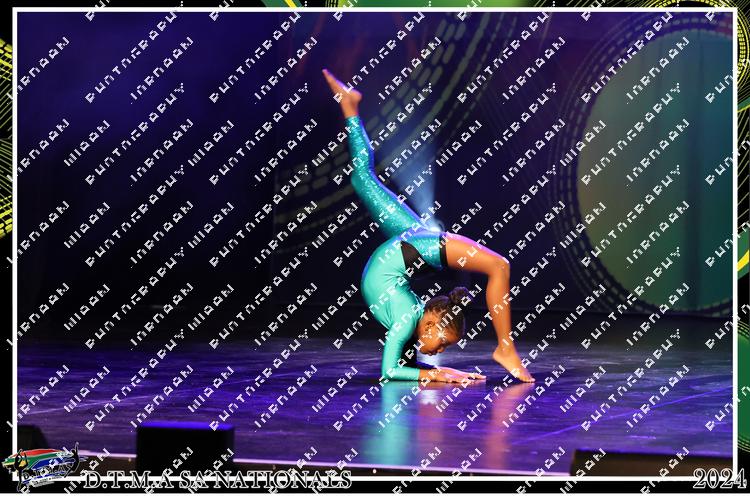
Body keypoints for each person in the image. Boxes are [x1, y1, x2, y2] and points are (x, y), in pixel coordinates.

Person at [322, 68, 535, 384]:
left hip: (407, 246)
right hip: (412, 249)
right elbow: (389, 373)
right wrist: (442, 376)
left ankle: (349, 106)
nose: (440, 352)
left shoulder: (407, 321)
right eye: (444, 344)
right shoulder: (408, 318)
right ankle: (505, 348)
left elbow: (401, 370)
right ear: (432, 325)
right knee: (499, 266)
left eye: (444, 349)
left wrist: (446, 372)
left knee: (362, 179)